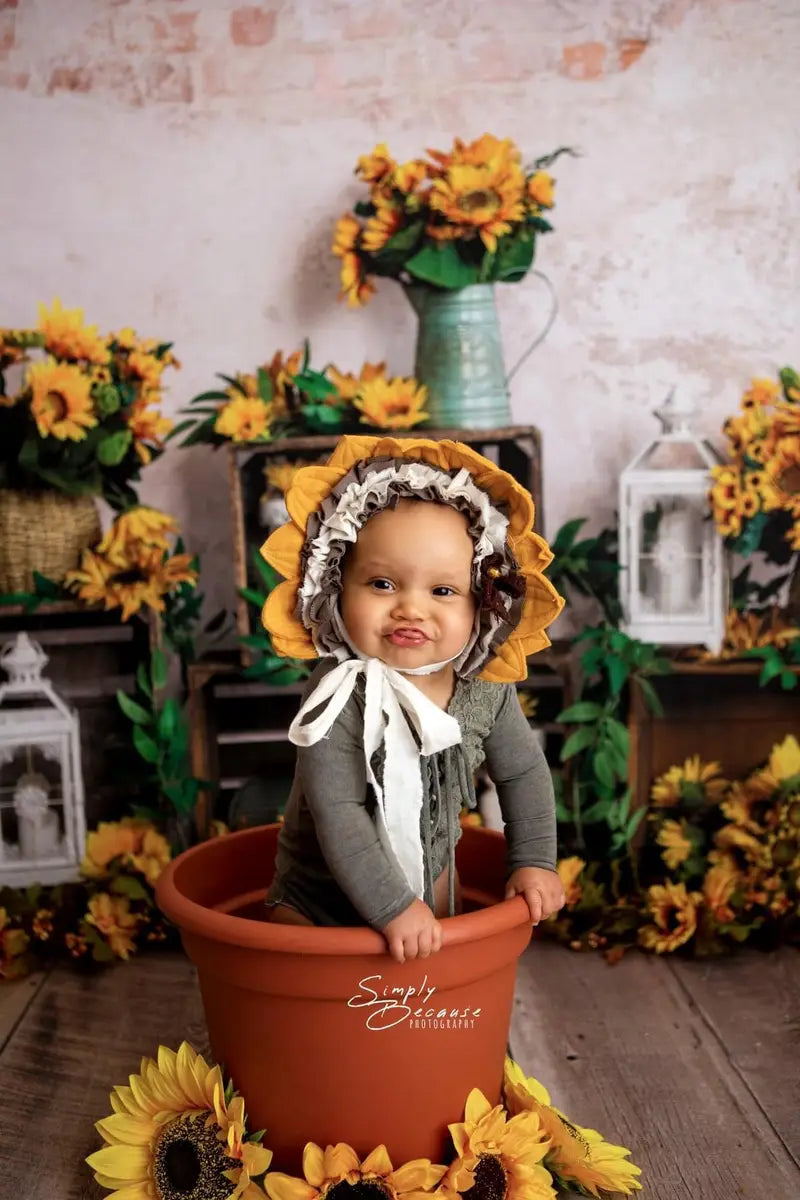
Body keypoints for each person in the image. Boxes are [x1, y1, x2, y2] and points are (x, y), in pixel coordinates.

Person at [260, 435, 566, 963]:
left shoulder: (484, 687)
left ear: (482, 604)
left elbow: (523, 774)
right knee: (299, 966)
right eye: (381, 583)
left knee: (435, 977)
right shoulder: (337, 696)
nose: (411, 609)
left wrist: (535, 860)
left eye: (443, 592)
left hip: (430, 890)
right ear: (335, 587)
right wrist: (392, 907)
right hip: (318, 900)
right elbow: (339, 811)